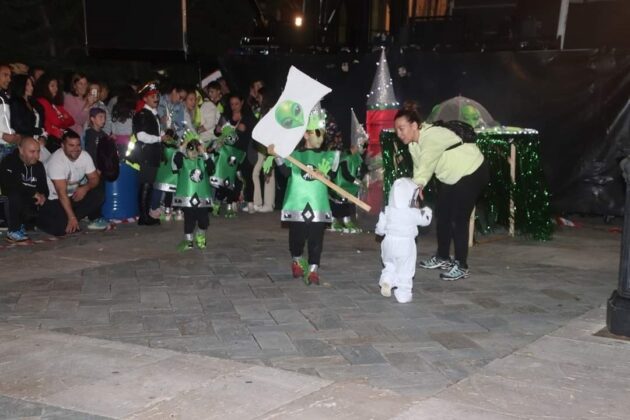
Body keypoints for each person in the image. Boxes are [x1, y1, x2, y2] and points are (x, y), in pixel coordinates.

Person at [393, 107, 489, 281]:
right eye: (396, 130)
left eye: (402, 128)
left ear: (414, 125)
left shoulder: (431, 136)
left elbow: (426, 165)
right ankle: (443, 257)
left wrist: (417, 186)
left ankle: (461, 265)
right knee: (442, 214)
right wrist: (415, 190)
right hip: (451, 176)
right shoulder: (414, 145)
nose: (399, 134)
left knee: (458, 219)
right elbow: (419, 169)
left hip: (472, 170)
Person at [265, 105, 338, 285]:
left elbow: (333, 177)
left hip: (318, 205)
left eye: (322, 132)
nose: (321, 137)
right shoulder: (294, 155)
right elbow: (285, 173)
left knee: (316, 239)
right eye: (317, 132)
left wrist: (326, 174)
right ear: (306, 134)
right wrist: (276, 156)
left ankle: (313, 269)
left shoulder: (327, 156)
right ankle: (297, 259)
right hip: (297, 204)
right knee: (296, 237)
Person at [37, 130, 107, 236]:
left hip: (73, 196)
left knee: (98, 193)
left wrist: (85, 188)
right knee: (60, 230)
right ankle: (40, 220)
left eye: (78, 145)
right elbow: (61, 193)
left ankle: (72, 219)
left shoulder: (84, 156)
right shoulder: (56, 161)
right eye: (71, 145)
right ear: (63, 146)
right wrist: (72, 217)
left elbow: (94, 178)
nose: (76, 149)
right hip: (55, 199)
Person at [375, 178, 432, 303]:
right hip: (405, 245)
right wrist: (427, 210)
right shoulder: (412, 212)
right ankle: (403, 295)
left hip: (388, 243)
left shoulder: (387, 210)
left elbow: (379, 229)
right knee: (405, 269)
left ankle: (387, 280)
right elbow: (426, 219)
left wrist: (379, 233)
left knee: (390, 264)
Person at [130, 82, 170, 226]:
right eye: (152, 96)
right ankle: (143, 216)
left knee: (149, 184)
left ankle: (146, 215)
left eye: (157, 95)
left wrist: (166, 136)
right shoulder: (142, 114)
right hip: (146, 154)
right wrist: (160, 138)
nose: (156, 98)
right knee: (146, 184)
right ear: (145, 99)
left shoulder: (153, 114)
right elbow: (141, 136)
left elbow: (157, 132)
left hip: (152, 153)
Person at [0, 137, 48, 242]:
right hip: (8, 202)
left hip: (28, 201)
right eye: (32, 152)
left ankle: (25, 224)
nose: (36, 155)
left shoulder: (39, 166)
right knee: (14, 195)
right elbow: (9, 185)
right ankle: (13, 230)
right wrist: (33, 193)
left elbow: (44, 187)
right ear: (21, 150)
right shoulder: (9, 161)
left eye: (38, 151)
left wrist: (43, 195)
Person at [172, 133, 214, 251]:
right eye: (190, 150)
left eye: (196, 150)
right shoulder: (183, 162)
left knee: (204, 221)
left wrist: (204, 153)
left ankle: (200, 235)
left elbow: (211, 167)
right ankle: (188, 241)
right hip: (188, 199)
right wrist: (184, 144)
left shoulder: (203, 162)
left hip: (202, 199)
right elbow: (177, 159)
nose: (193, 153)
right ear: (186, 151)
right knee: (189, 221)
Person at [34, 74, 74, 152]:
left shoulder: (55, 104)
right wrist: (63, 118)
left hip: (58, 137)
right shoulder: (42, 101)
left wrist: (60, 122)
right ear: (45, 87)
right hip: (50, 139)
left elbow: (71, 121)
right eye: (52, 86)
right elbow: (56, 121)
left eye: (56, 86)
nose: (56, 89)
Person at [0, 63, 20, 162]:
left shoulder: (4, 96)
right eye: (5, 75)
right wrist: (2, 135)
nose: (9, 79)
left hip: (8, 145)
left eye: (10, 76)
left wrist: (14, 134)